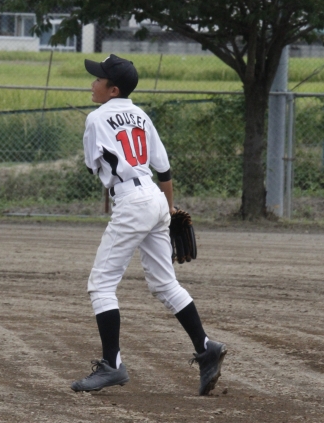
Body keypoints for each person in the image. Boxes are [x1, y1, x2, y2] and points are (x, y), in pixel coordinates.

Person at [70, 54, 226, 396]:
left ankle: (112, 365)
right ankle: (206, 347)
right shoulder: (141, 114)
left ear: (113, 89)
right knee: (164, 283)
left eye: (98, 79)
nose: (92, 83)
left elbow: (93, 167)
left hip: (131, 201)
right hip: (155, 197)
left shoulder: (96, 118)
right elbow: (163, 169)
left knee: (101, 285)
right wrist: (168, 211)